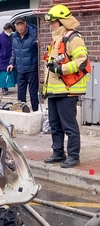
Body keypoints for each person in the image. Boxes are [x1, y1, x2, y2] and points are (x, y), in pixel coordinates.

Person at [42, 5, 90, 168]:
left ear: (61, 22)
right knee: (55, 125)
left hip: (67, 91)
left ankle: (73, 156)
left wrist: (61, 69)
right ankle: (58, 153)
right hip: (55, 91)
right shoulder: (56, 39)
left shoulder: (73, 38)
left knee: (69, 126)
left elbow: (82, 61)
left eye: (53, 22)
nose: (50, 26)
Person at [7, 16, 39, 112]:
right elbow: (14, 51)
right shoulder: (15, 36)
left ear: (25, 24)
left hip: (32, 68)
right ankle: (22, 112)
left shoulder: (34, 34)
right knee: (20, 93)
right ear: (15, 26)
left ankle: (36, 111)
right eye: (17, 25)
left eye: (21, 24)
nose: (20, 27)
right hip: (20, 69)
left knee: (33, 93)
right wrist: (11, 63)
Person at [0, 23, 16, 95]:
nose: (10, 31)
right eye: (8, 30)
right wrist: (1, 55)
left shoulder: (13, 36)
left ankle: (8, 86)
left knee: (10, 73)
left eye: (10, 30)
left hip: (10, 58)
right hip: (2, 59)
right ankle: (4, 88)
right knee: (3, 74)